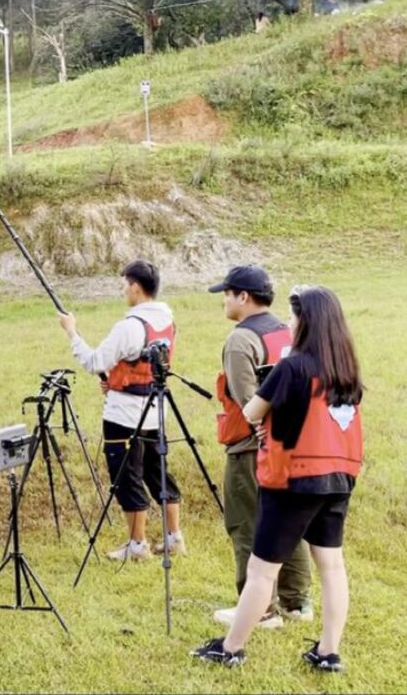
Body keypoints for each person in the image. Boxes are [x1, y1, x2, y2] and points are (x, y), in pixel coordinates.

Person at [193, 286, 364, 671]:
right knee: (332, 567)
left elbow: (253, 411)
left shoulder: (292, 367)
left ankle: (231, 647)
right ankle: (327, 651)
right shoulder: (347, 370)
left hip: (293, 479)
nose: (289, 323)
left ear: (306, 322)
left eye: (293, 317)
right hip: (338, 478)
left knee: (261, 570)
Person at [208, 265, 313, 630]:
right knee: (291, 523)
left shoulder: (241, 340)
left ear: (243, 297)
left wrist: (263, 438)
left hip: (253, 448)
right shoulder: (288, 331)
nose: (224, 300)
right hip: (293, 443)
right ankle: (297, 602)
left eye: (226, 293)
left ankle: (257, 609)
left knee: (246, 524)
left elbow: (247, 400)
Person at [58, 260, 183, 561]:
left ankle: (137, 545)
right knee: (157, 473)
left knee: (127, 477)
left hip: (124, 416)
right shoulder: (167, 320)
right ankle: (173, 537)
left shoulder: (129, 326)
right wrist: (116, 380)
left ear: (136, 287)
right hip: (156, 411)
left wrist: (72, 333)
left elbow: (94, 362)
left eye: (124, 284)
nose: (123, 290)